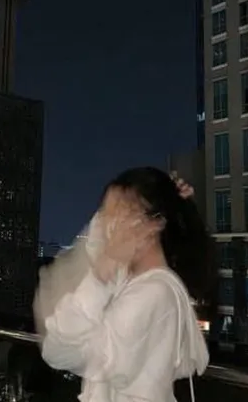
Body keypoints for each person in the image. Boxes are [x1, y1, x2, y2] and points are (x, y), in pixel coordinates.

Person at [37, 167, 217, 402]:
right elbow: (56, 349)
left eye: (122, 212)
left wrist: (103, 270)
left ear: (154, 223)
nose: (109, 224)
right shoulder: (126, 283)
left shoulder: (153, 293)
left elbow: (60, 351)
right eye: (107, 214)